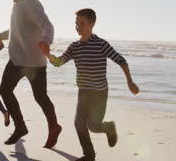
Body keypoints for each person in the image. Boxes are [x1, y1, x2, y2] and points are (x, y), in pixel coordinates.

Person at [42, 8, 140, 161]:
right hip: (84, 92)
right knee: (79, 124)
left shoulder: (101, 44)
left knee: (94, 126)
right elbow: (59, 62)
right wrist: (48, 54)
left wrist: (130, 81)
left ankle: (108, 127)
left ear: (92, 24)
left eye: (82, 23)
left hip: (99, 93)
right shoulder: (74, 46)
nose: (78, 27)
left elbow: (121, 60)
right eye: (76, 24)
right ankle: (89, 156)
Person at [0, 0, 62, 148]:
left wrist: (46, 40)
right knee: (5, 90)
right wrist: (1, 37)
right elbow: (18, 28)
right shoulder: (15, 3)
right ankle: (21, 127)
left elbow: (48, 25)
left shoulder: (30, 2)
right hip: (17, 60)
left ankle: (54, 127)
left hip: (34, 62)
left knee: (40, 97)